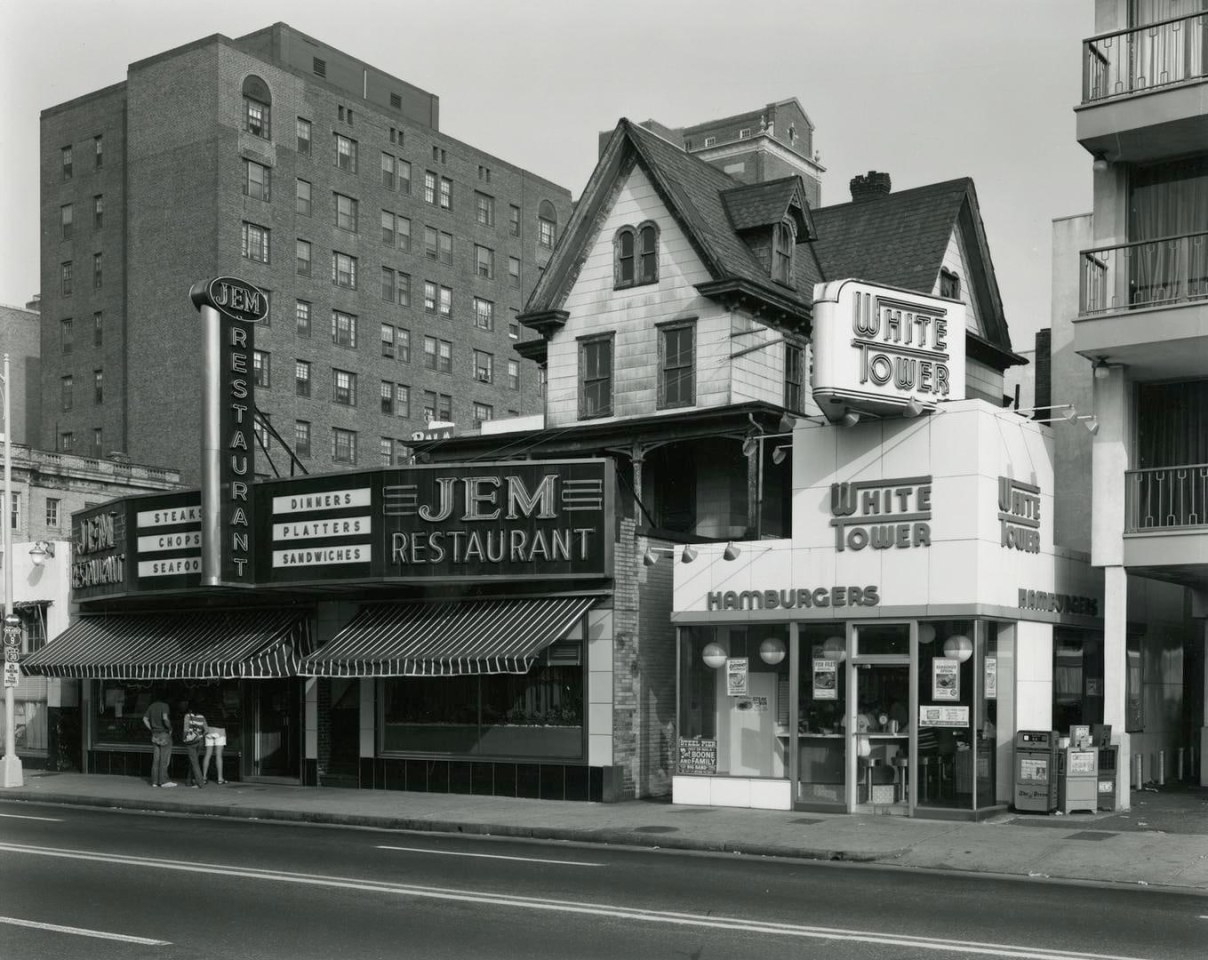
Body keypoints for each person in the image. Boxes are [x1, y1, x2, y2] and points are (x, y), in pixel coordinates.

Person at [142, 693, 176, 788]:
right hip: (164, 733)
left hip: (155, 734)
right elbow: (165, 718)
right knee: (164, 758)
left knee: (156, 759)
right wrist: (170, 728)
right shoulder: (165, 706)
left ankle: (154, 781)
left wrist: (151, 729)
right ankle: (164, 780)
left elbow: (144, 719)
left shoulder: (151, 706)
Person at [180, 700, 208, 788]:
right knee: (193, 761)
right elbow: (206, 730)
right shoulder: (202, 717)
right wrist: (200, 736)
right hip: (199, 741)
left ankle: (200, 783)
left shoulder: (188, 716)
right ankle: (188, 781)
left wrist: (184, 739)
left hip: (191, 742)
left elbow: (185, 729)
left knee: (194, 762)